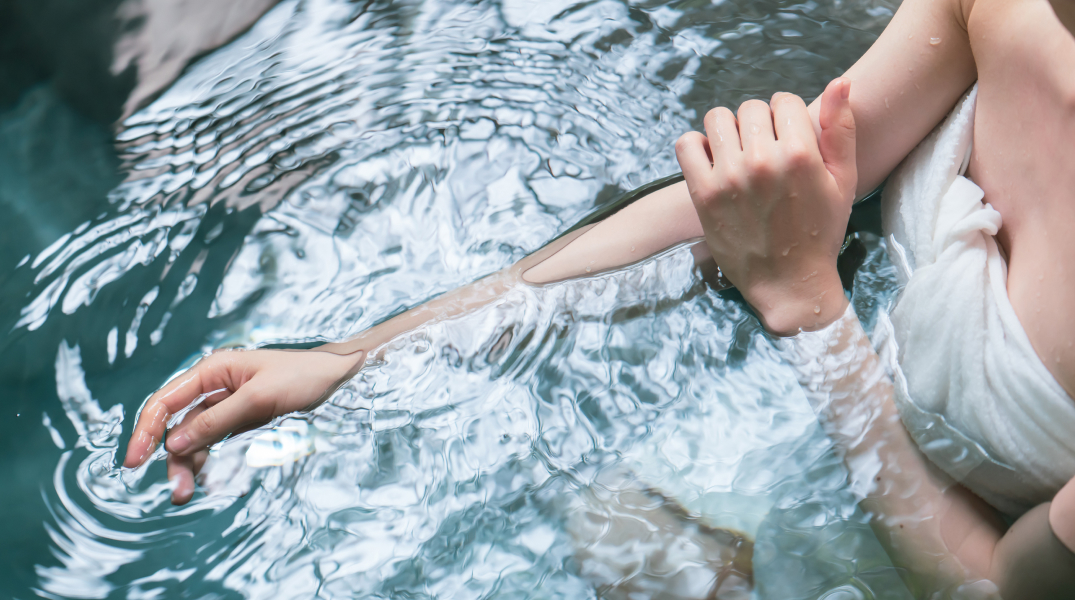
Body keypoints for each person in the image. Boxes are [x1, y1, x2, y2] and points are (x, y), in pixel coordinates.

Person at [123, 0, 1075, 596]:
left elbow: (993, 586)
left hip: (931, 549)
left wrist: (809, 315)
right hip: (840, 417)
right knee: (601, 521)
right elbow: (735, 213)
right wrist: (354, 361)